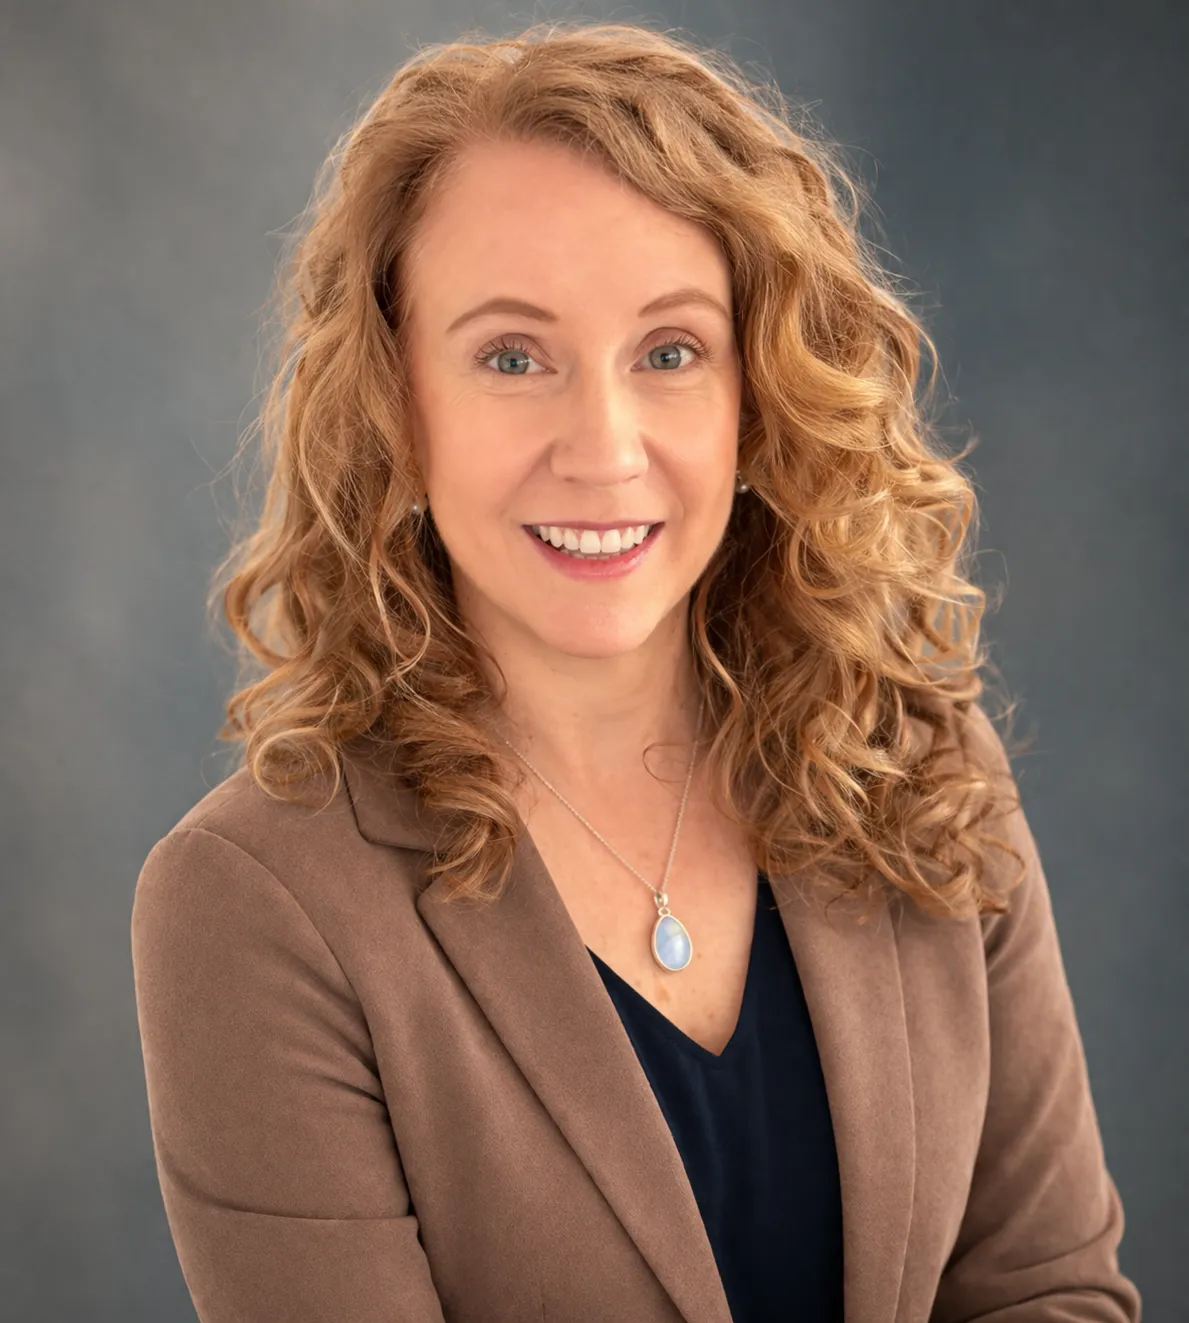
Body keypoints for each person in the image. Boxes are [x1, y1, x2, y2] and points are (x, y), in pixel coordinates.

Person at [129, 20, 1141, 1323]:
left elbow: (1047, 1288)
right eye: (512, 356)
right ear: (393, 403)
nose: (603, 448)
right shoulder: (254, 903)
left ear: (756, 395)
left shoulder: (922, 770)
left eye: (670, 352)